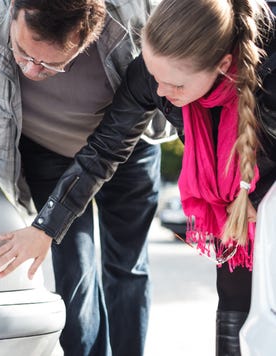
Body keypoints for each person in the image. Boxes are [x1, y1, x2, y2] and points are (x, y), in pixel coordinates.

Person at [0, 1, 173, 355]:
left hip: (128, 147)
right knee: (74, 276)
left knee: (127, 268)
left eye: (52, 64)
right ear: (13, 9)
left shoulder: (134, 15)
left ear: (88, 35)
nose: (31, 70)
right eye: (23, 52)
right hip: (47, 154)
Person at [82, 0, 274, 354]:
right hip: (236, 202)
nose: (159, 92)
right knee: (233, 288)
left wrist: (261, 200)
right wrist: (46, 226)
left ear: (224, 66)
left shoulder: (270, 70)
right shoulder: (163, 69)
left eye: (174, 85)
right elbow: (103, 149)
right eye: (155, 77)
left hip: (266, 194)